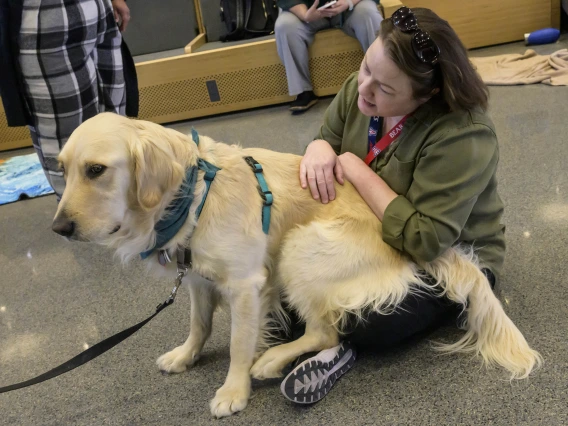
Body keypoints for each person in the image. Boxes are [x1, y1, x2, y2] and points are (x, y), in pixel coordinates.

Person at [280, 7, 506, 404]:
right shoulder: (361, 87)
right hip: (369, 238)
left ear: (429, 94)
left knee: (371, 321)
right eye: (366, 66)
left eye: (385, 90)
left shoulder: (464, 135)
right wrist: (316, 148)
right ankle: (327, 333)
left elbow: (425, 241)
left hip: (449, 256)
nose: (364, 89)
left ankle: (340, 346)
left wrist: (354, 168)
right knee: (283, 288)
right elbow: (328, 139)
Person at [0, 0, 138, 199]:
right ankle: (82, 225)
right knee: (67, 151)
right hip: (46, 15)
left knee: (116, 131)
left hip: (100, 11)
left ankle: (126, 220)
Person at [275, 0, 383, 113]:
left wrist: (349, 2)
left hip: (350, 7)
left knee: (368, 13)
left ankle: (382, 79)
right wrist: (305, 15)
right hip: (306, 10)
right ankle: (303, 91)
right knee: (285, 25)